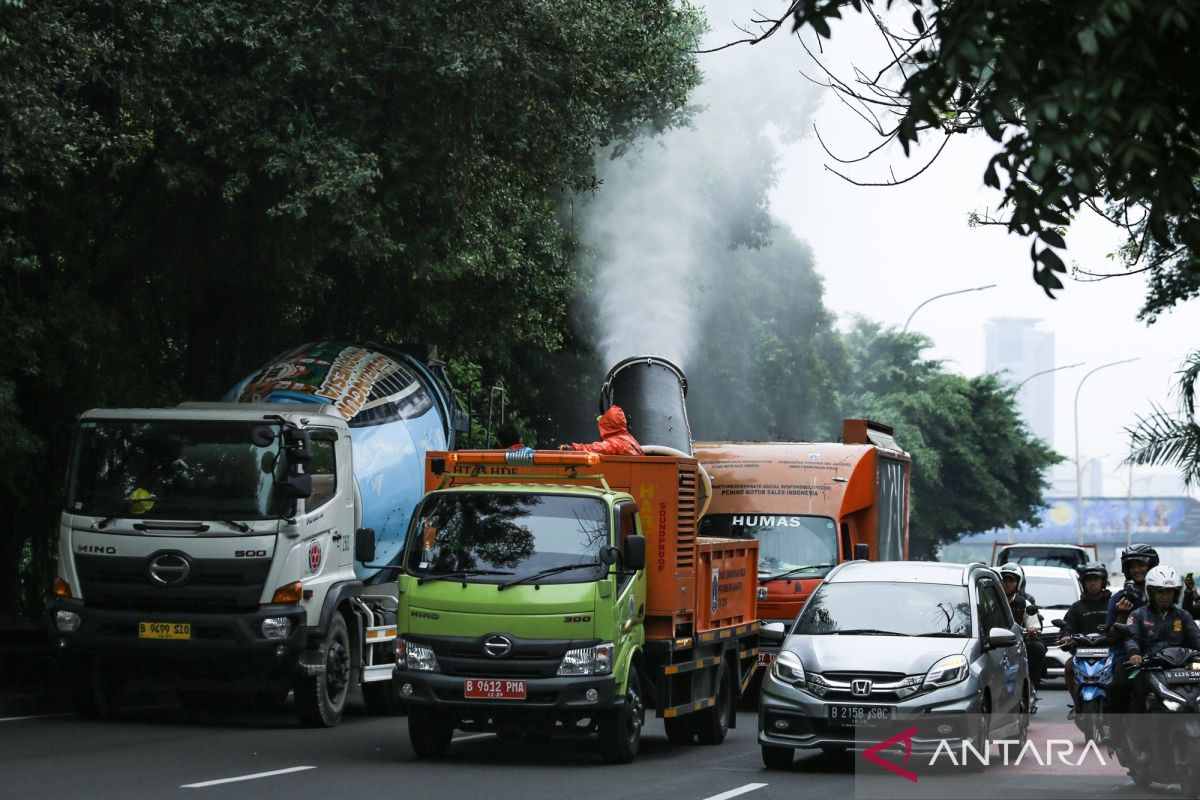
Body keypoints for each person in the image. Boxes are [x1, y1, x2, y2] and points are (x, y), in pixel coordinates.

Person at [1122, 565, 1200, 751]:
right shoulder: (1138, 615)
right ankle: (1137, 741)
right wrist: (1135, 654)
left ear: (1176, 593)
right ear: (1151, 592)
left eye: (1169, 591)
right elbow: (1131, 637)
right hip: (1150, 668)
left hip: (1181, 669)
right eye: (1161, 591)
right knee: (1135, 692)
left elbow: (1197, 639)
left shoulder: (1184, 616)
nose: (1165, 596)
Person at [1104, 543, 1158, 731]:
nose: (1136, 570)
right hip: (1129, 658)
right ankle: (1116, 731)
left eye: (1141, 565)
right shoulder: (1120, 598)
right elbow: (1112, 637)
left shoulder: (1168, 594)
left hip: (1163, 656)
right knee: (1120, 686)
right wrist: (1121, 614)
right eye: (1132, 566)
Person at [1058, 561, 1113, 707]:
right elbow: (1067, 627)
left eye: (1096, 579)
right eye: (1088, 580)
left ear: (1103, 581)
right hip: (1083, 653)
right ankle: (1077, 703)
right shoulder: (1077, 607)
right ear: (1083, 583)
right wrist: (1065, 636)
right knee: (1069, 667)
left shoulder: (1113, 603)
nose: (1092, 583)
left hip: (1110, 652)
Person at [999, 562, 1047, 696]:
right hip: (994, 641)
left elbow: (1035, 625)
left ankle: (1032, 682)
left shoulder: (1025, 603)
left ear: (1018, 583)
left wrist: (1032, 630)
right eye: (1004, 580)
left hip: (1019, 642)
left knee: (1037, 647)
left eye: (1011, 580)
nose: (1007, 584)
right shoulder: (990, 601)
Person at [560, 405, 644, 456]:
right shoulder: (630, 439)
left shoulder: (616, 443)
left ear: (608, 424)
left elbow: (597, 448)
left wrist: (573, 448)